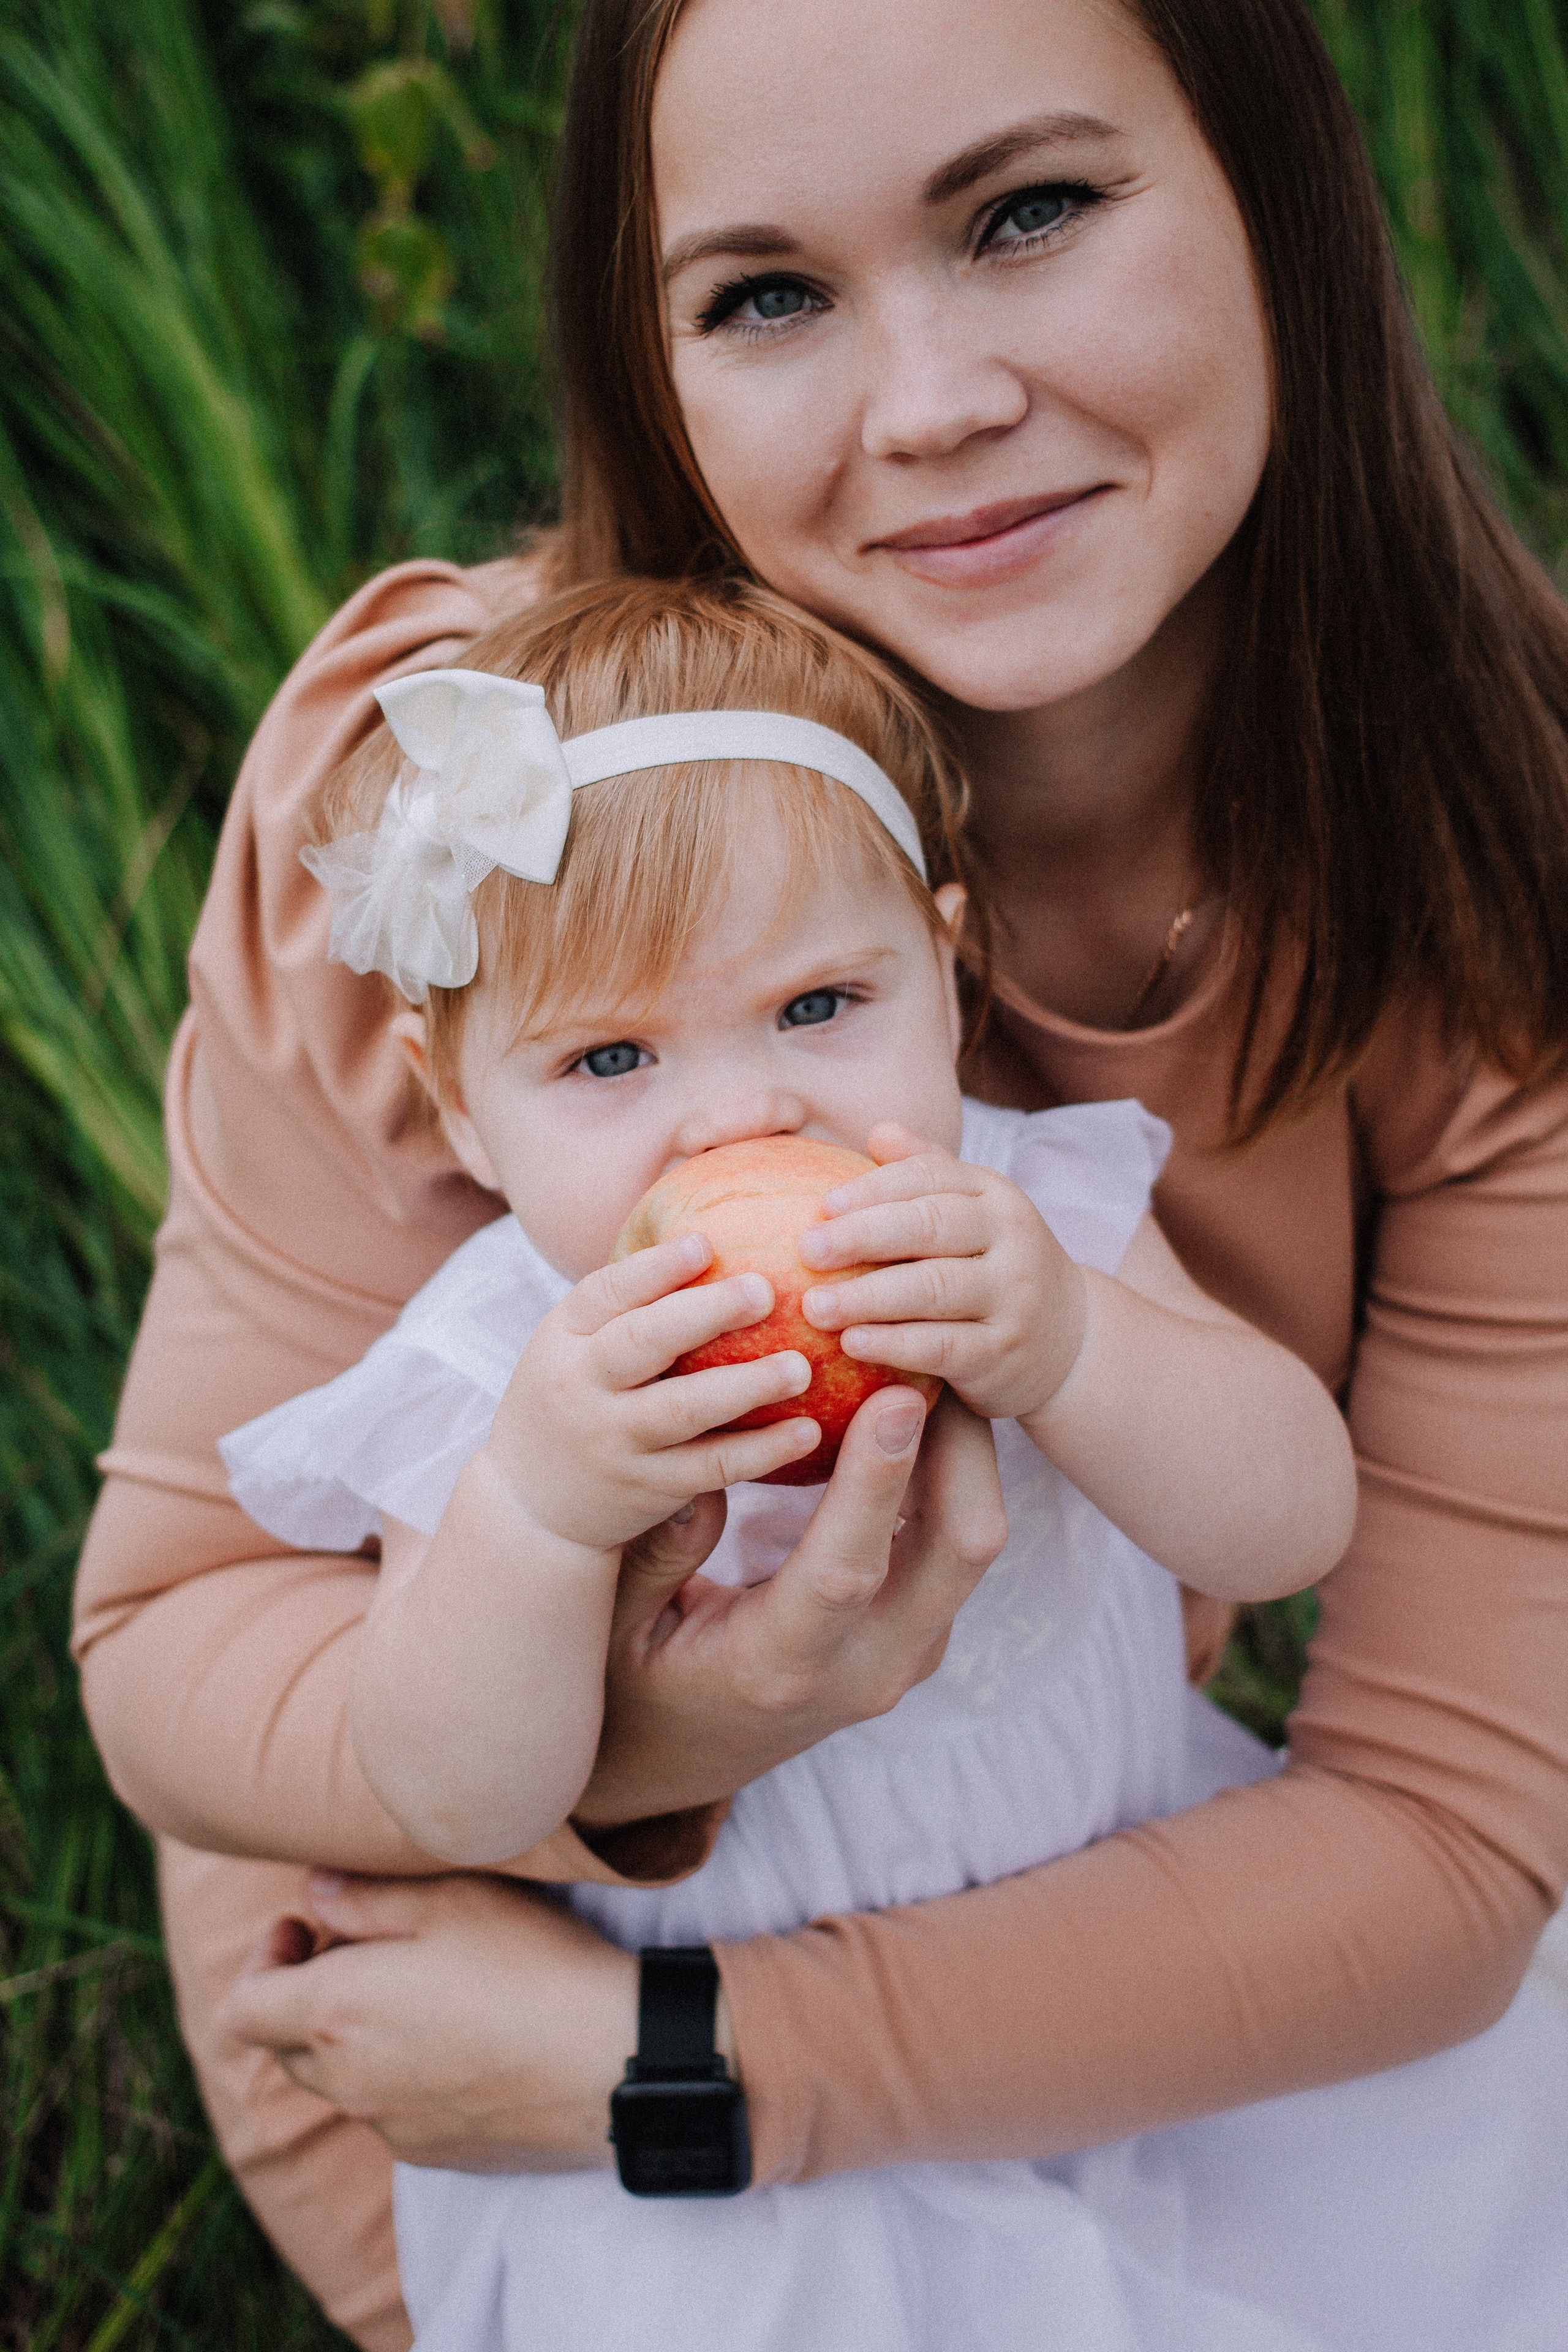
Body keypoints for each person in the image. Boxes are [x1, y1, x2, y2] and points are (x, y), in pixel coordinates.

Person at [71, 1, 1568, 2346]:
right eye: (767, 293)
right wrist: (682, 1716)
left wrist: (677, 2070)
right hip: (452, 2058)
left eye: (1032, 211)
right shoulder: (478, 814)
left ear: (1276, 183)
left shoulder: (1485, 866)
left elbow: (1452, 1842)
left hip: (1065, 2002)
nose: (933, 404)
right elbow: (184, 1640)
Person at [213, 575, 1370, 2346]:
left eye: (821, 1006)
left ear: (948, 964)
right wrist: (541, 1506)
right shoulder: (498, 1370)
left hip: (1108, 1998)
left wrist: (1073, 1344)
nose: (743, 1115)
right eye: (609, 1055)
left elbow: (1293, 1519)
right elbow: (457, 1792)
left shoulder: (1024, 1217)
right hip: (721, 2147)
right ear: (463, 1107)